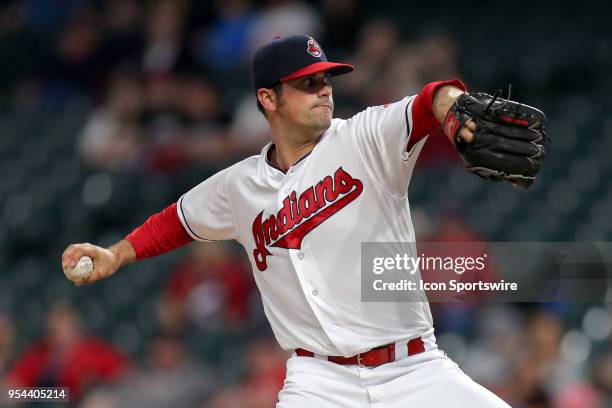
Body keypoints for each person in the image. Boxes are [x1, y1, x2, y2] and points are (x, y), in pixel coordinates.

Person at [62, 34, 517, 406]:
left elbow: (430, 99)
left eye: (326, 79)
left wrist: (454, 106)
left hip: (412, 369)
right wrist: (115, 254)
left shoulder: (365, 137)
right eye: (307, 82)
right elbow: (176, 221)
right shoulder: (237, 186)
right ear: (268, 97)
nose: (324, 89)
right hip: (318, 383)